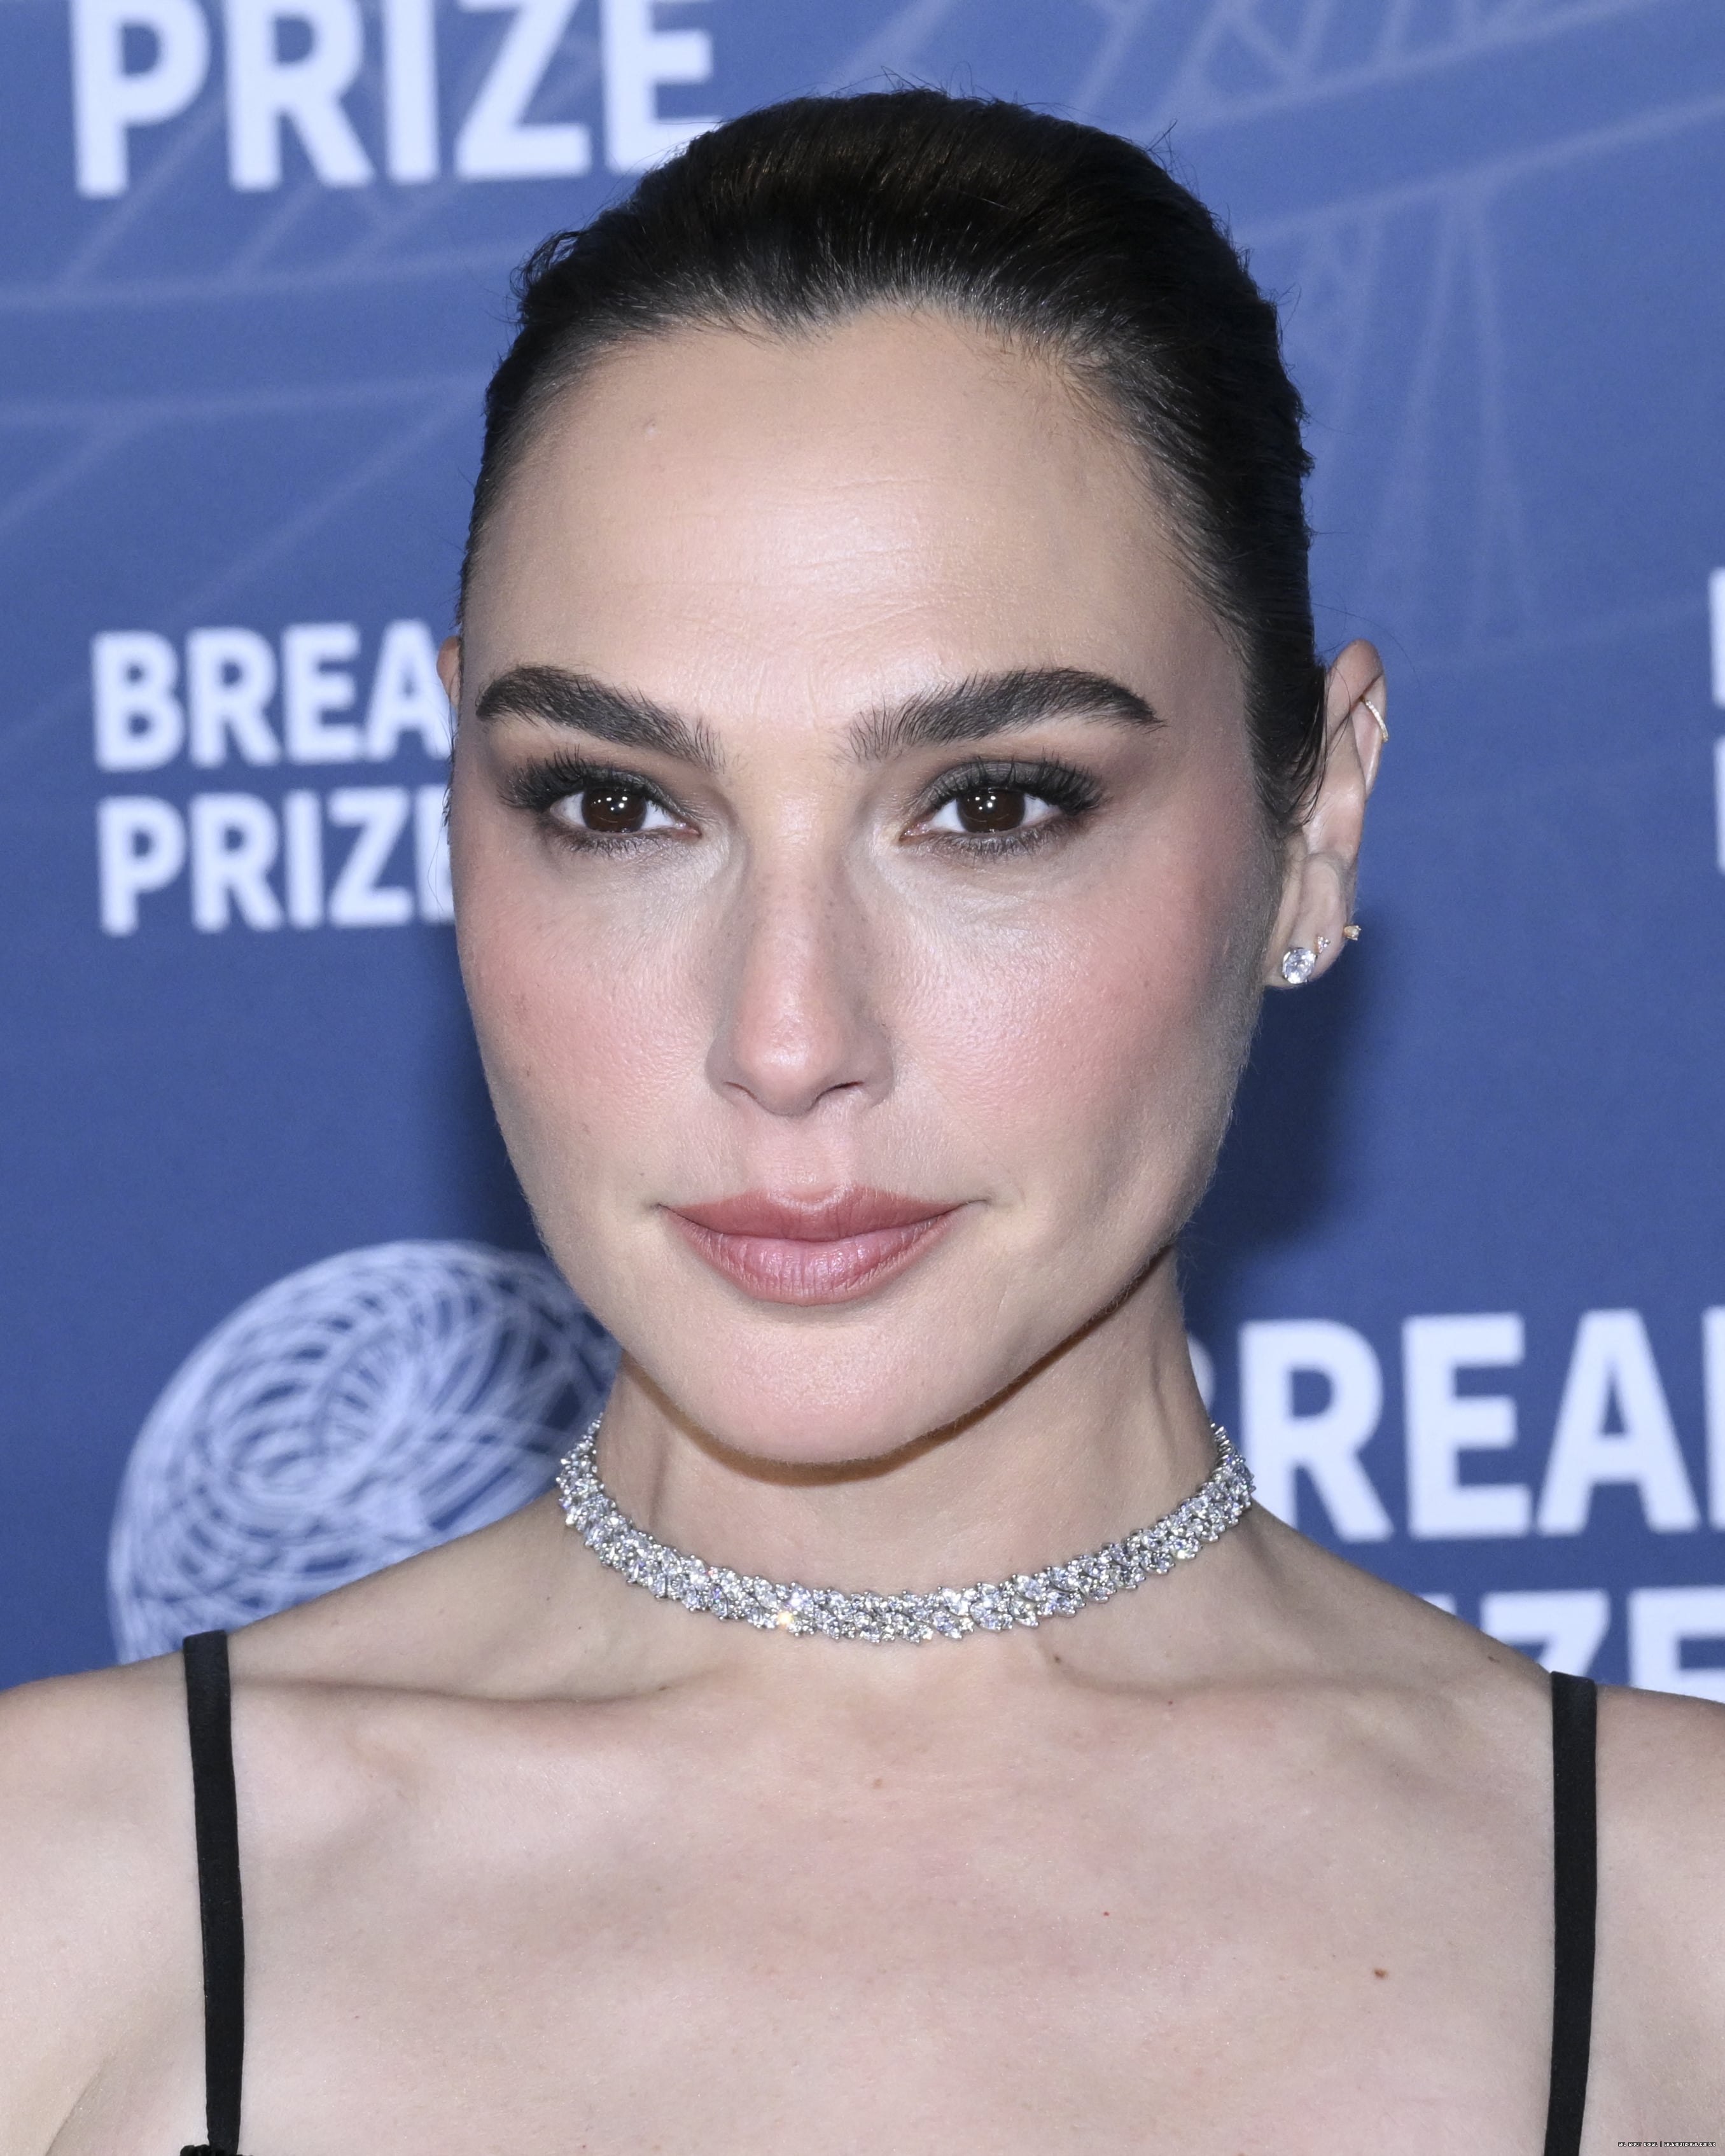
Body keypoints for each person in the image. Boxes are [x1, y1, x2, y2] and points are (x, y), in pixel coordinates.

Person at [2, 88, 1720, 2156]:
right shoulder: (64, 1906)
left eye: (990, 806)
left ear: (1316, 820)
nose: (788, 1035)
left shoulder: (1678, 1929)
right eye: (616, 805)